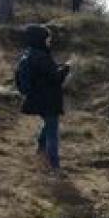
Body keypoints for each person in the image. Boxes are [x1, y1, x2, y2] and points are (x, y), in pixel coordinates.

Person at [15, 25, 70, 172]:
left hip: (37, 98)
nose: (49, 42)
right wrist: (66, 69)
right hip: (48, 100)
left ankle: (40, 150)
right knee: (53, 130)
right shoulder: (42, 57)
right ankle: (54, 165)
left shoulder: (29, 54)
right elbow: (55, 77)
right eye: (47, 39)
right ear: (40, 39)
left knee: (49, 124)